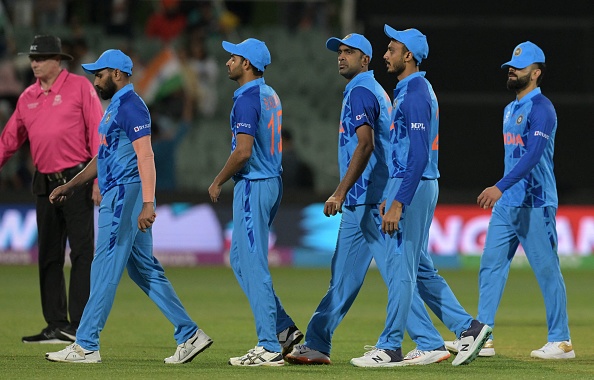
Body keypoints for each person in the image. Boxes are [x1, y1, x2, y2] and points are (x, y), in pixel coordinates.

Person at [45, 49, 212, 364]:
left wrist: (148, 203)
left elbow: (145, 155)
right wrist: (71, 185)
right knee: (144, 269)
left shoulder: (132, 107)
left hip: (124, 195)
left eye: (100, 74)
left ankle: (86, 345)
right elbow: (104, 156)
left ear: (118, 74)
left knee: (105, 265)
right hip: (123, 192)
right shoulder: (117, 108)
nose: (95, 80)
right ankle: (189, 334)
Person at [349, 26, 492, 368]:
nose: (385, 55)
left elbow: (417, 154)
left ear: (408, 55)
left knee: (400, 266)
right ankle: (468, 327)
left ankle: (391, 346)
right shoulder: (410, 90)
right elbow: (405, 154)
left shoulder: (414, 93)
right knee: (421, 269)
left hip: (415, 184)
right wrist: (390, 192)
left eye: (391, 49)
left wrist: (399, 200)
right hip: (410, 183)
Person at [448, 41, 574, 360]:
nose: (511, 71)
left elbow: (533, 155)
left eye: (519, 68)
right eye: (511, 66)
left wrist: (500, 186)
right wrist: (504, 192)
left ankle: (561, 341)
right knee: (490, 267)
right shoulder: (510, 109)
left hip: (535, 203)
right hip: (507, 207)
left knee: (547, 271)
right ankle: (483, 337)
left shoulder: (542, 108)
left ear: (536, 73)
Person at [284, 33, 392, 365]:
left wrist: (339, 191)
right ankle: (317, 342)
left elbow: (365, 144)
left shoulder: (361, 91)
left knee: (403, 275)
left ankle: (438, 337)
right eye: (340, 51)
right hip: (365, 200)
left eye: (350, 52)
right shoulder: (367, 90)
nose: (341, 56)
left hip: (372, 200)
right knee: (344, 277)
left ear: (366, 60)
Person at [0, 35, 103, 344]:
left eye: (42, 57)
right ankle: (56, 324)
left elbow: (98, 133)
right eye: (33, 57)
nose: (34, 62)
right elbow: (9, 140)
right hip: (44, 182)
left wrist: (98, 180)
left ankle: (79, 327)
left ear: (58, 61)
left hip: (77, 180)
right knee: (48, 255)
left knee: (82, 253)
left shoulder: (80, 87)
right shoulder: (27, 96)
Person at [208, 38, 302, 367]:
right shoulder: (269, 93)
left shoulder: (247, 99)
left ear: (247, 64)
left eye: (233, 58)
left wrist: (218, 179)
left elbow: (243, 151)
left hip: (254, 185)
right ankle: (282, 328)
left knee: (253, 264)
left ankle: (268, 346)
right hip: (271, 182)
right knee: (240, 261)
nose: (227, 62)